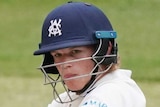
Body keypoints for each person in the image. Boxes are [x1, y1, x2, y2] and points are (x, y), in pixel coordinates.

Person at [34, 2, 146, 107]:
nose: (65, 64)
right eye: (57, 55)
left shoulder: (113, 93)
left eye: (75, 52)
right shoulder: (69, 99)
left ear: (105, 50)